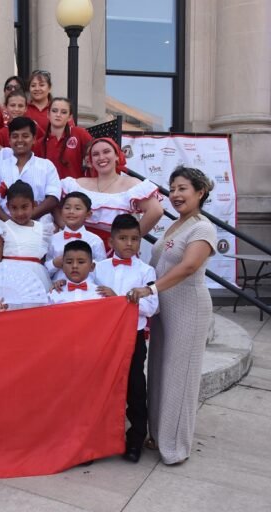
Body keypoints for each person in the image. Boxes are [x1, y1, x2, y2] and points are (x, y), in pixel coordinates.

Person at [128, 167, 217, 466]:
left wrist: (150, 289)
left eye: (182, 189)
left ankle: (175, 447)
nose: (176, 195)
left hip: (188, 307)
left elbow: (189, 266)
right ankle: (158, 434)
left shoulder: (203, 228)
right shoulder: (175, 225)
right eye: (172, 189)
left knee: (180, 376)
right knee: (159, 373)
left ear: (200, 192)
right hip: (163, 307)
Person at [94, 214, 158, 463]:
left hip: (134, 336)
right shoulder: (98, 268)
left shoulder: (146, 271)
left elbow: (152, 306)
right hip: (103, 338)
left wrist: (119, 299)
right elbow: (90, 299)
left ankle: (135, 441)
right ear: (111, 240)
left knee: (135, 388)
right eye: (123, 238)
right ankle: (98, 440)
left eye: (134, 239)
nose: (129, 244)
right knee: (101, 388)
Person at [61, 137, 164, 250]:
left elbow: (156, 211)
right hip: (79, 249)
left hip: (114, 251)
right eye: (95, 154)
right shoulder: (77, 184)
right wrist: (66, 229)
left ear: (116, 155)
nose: (101, 157)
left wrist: (129, 240)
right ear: (90, 160)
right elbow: (54, 204)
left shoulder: (131, 184)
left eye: (106, 151)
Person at [0, 117, 60, 225]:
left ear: (34, 139)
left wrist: (26, 218)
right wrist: (10, 223)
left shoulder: (47, 166)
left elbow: (53, 198)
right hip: (5, 228)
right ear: (9, 140)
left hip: (38, 227)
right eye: (15, 136)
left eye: (25, 136)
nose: (20, 140)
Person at [0, 181, 51, 290]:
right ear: (7, 206)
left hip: (36, 280)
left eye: (24, 207)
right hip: (8, 279)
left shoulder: (43, 229)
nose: (20, 213)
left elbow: (44, 260)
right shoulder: (3, 228)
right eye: (14, 208)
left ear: (34, 204)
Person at [45, 191, 106, 279]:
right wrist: (54, 263)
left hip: (88, 289)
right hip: (59, 289)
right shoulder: (53, 239)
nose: (71, 212)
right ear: (61, 211)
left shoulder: (95, 240)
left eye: (77, 208)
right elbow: (46, 270)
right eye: (67, 208)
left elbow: (102, 269)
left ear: (88, 214)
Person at [34, 97, 93, 180]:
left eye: (64, 112)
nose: (58, 115)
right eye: (54, 111)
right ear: (48, 114)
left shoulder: (80, 133)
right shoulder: (39, 144)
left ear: (70, 117)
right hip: (50, 192)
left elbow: (94, 157)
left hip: (76, 190)